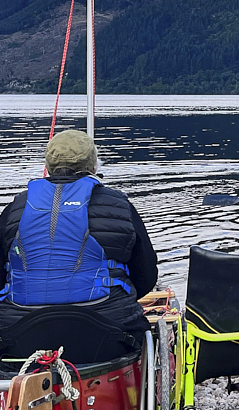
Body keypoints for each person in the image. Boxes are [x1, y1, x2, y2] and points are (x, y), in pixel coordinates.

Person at [0, 130, 158, 349]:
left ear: (48, 166)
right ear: (93, 166)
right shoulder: (119, 206)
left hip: (20, 333)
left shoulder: (14, 210)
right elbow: (146, 276)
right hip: (106, 331)